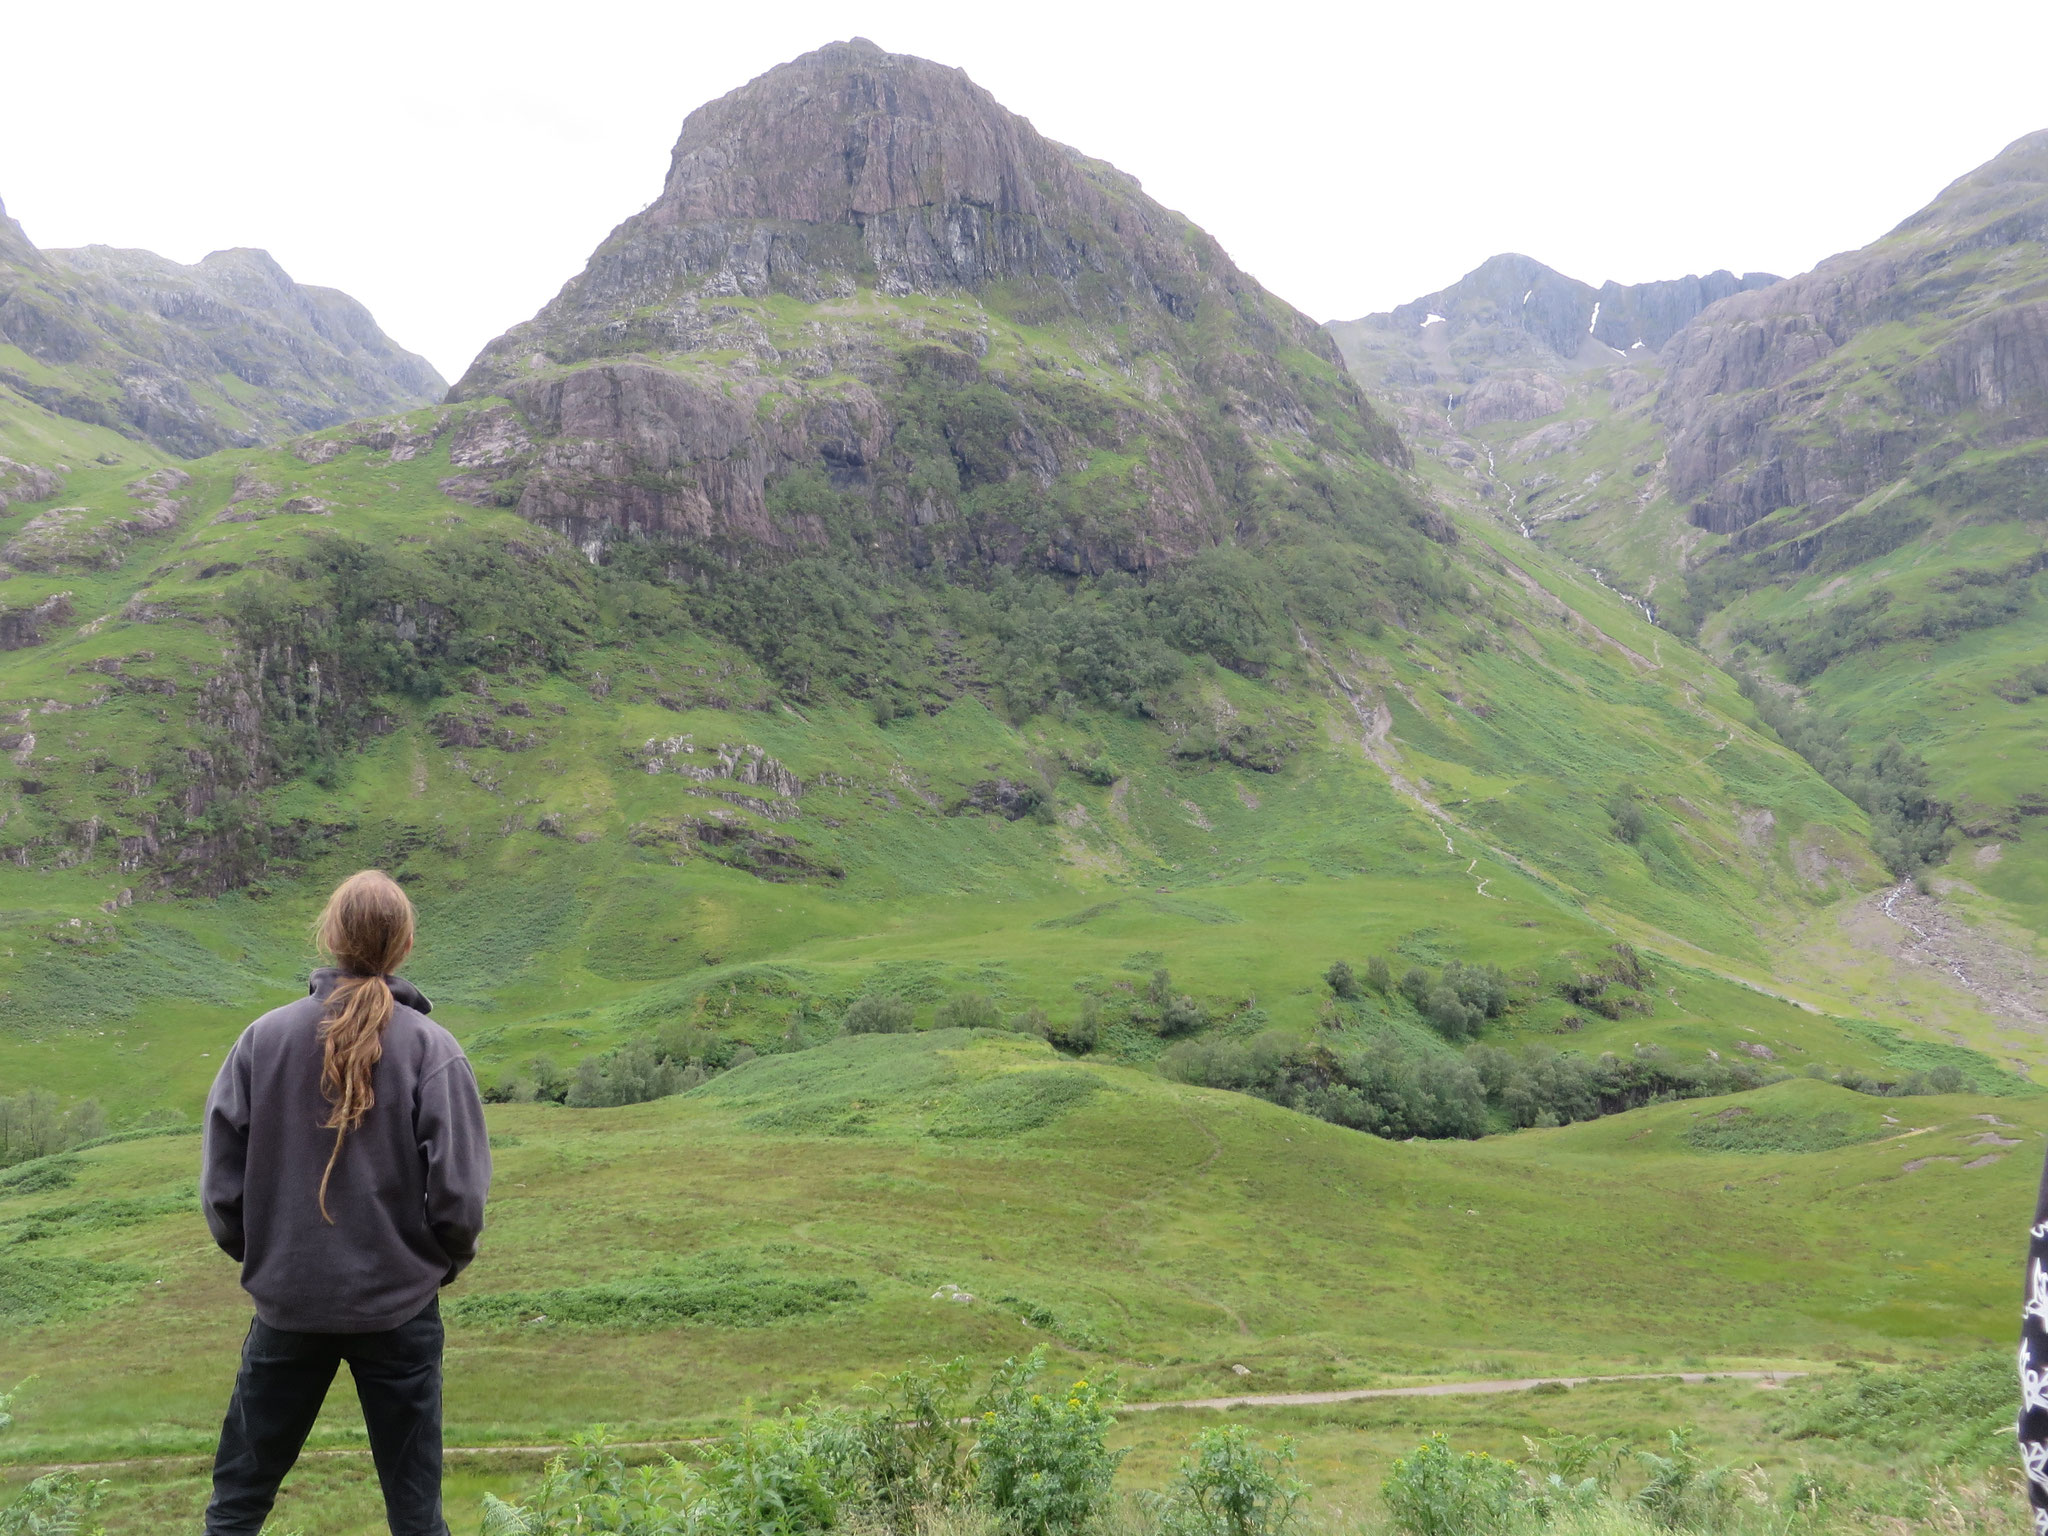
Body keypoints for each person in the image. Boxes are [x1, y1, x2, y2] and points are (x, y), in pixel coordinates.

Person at [200, 869, 491, 1536]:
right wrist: (434, 1266)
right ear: (404, 944)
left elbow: (222, 1189)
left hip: (287, 1304)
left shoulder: (261, 1040)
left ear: (330, 938)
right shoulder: (432, 1051)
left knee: (238, 1504)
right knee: (417, 1515)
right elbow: (461, 1196)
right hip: (399, 1309)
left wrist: (271, 1255)